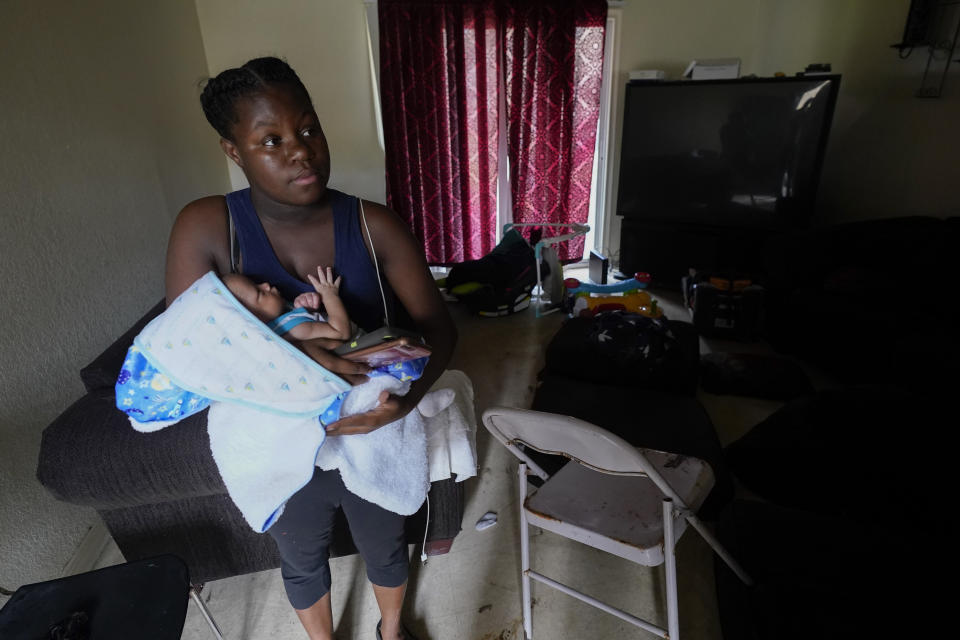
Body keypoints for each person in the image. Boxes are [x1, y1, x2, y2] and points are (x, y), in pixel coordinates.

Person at [166, 56, 456, 640]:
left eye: (307, 129)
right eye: (270, 140)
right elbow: (189, 353)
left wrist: (401, 405)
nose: (300, 150)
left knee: (386, 540)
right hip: (280, 438)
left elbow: (441, 329)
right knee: (299, 556)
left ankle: (392, 630)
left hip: (369, 429)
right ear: (233, 151)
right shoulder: (205, 227)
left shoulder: (374, 225)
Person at [222, 266, 354, 342]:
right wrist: (330, 296)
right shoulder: (294, 330)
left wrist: (305, 309)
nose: (266, 285)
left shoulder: (284, 320)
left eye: (257, 284)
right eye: (260, 293)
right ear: (253, 319)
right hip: (363, 349)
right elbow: (341, 332)